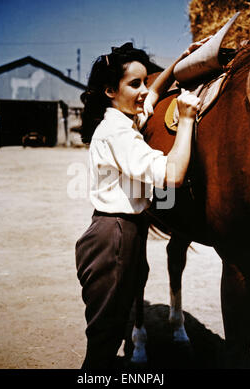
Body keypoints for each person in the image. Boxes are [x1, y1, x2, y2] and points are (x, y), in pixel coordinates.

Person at [75, 40, 205, 369]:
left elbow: (153, 96)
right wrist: (187, 119)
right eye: (135, 83)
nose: (144, 90)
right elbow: (173, 174)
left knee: (113, 329)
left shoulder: (122, 118)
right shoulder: (117, 133)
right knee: (103, 346)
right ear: (108, 90)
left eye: (145, 81)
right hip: (113, 237)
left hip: (126, 232)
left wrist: (180, 61)